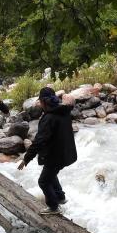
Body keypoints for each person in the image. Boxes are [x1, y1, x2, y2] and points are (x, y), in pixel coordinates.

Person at [18, 87, 77, 215]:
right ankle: (60, 197)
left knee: (43, 181)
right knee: (51, 174)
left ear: (44, 102)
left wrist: (26, 158)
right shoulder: (64, 111)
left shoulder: (49, 118)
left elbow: (39, 141)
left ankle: (53, 207)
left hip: (54, 155)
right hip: (65, 153)